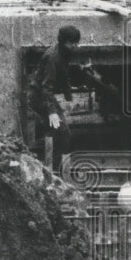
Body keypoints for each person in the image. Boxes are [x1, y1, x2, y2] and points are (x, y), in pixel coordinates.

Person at [27, 25, 82, 167]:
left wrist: (69, 98)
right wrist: (52, 112)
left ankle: (53, 164)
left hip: (45, 97)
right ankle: (52, 168)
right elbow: (46, 88)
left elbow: (64, 77)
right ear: (66, 42)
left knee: (60, 130)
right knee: (61, 131)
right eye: (73, 43)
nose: (76, 46)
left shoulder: (65, 53)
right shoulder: (52, 57)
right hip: (38, 97)